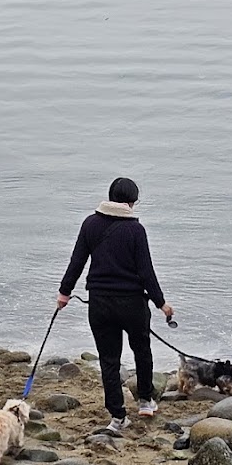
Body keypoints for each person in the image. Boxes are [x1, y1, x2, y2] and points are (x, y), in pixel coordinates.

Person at [56, 177, 173, 433]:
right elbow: (146, 272)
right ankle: (145, 400)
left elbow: (77, 261)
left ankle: (118, 417)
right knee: (141, 350)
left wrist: (64, 293)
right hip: (132, 304)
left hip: (99, 303)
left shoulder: (90, 224)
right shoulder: (135, 230)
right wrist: (161, 303)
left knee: (109, 360)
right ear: (131, 202)